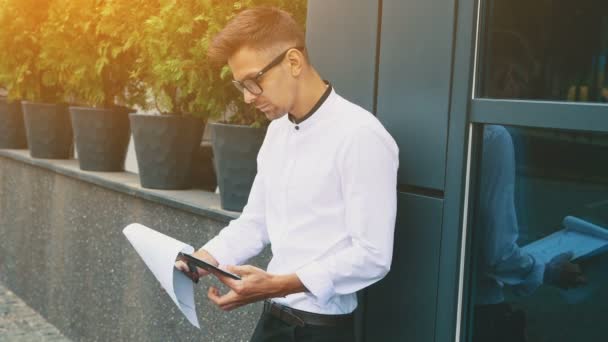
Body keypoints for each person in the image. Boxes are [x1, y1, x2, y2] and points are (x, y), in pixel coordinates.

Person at [175, 6, 399, 342]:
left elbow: (373, 256)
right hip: (273, 318)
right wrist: (202, 259)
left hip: (320, 330)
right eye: (241, 86)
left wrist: (278, 284)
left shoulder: (361, 135)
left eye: (254, 81)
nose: (249, 97)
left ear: (293, 62)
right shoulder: (277, 132)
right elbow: (256, 222)